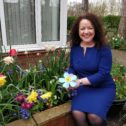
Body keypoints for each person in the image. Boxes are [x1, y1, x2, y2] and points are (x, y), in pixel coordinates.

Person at [68, 13, 116, 126]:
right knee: (77, 113)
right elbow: (72, 67)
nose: (86, 32)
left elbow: (103, 73)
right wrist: (69, 79)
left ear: (96, 30)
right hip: (84, 88)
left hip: (103, 87)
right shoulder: (75, 48)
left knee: (94, 117)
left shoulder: (104, 48)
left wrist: (79, 82)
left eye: (90, 28)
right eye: (82, 28)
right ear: (78, 31)